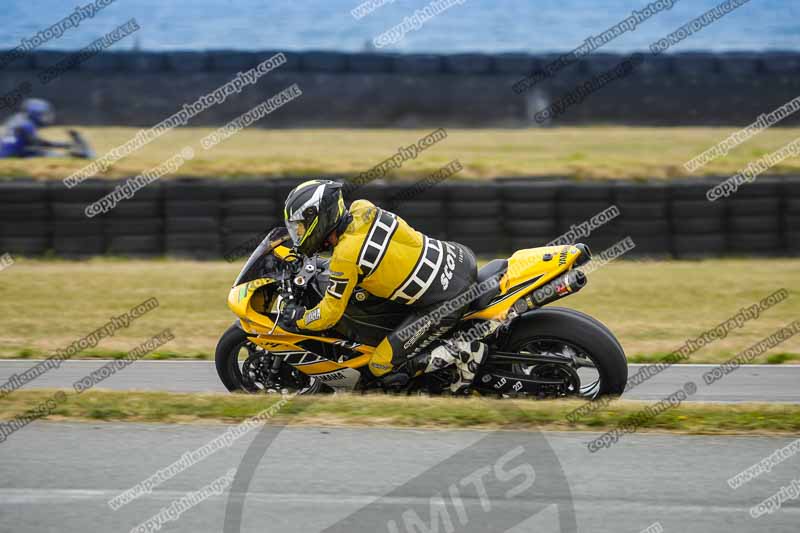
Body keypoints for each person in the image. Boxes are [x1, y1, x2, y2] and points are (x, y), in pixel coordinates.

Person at [279, 179, 486, 392]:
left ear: (319, 218)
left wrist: (300, 318)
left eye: (301, 227)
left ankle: (463, 351)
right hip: (459, 257)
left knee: (381, 365)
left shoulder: (346, 256)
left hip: (448, 298)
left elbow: (329, 314)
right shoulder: (362, 208)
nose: (300, 235)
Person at [0, 98, 72, 158]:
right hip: (15, 154)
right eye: (43, 115)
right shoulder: (27, 124)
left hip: (7, 152)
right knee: (56, 156)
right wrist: (60, 145)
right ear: (35, 113)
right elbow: (35, 143)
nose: (45, 118)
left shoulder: (16, 118)